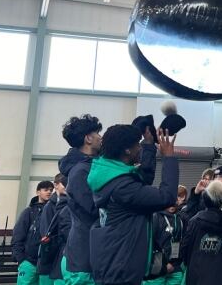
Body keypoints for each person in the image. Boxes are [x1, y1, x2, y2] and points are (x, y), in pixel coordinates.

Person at [88, 126, 179, 285]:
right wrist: (169, 157)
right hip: (121, 269)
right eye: (138, 144)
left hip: (113, 261)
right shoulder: (123, 188)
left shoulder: (109, 175)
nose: (140, 147)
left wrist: (149, 145)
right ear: (127, 150)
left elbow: (143, 179)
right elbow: (167, 197)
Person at [58, 115, 103, 285]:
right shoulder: (79, 172)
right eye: (98, 133)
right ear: (88, 138)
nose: (101, 137)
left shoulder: (91, 166)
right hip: (82, 260)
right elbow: (92, 209)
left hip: (91, 254)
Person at [181, 180, 222, 285]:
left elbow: (185, 249)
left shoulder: (195, 222)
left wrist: (191, 265)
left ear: (205, 199)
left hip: (197, 277)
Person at [13, 181, 54, 285]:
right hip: (28, 262)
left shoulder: (54, 211)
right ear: (38, 192)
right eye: (46, 190)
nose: (49, 192)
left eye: (51, 190)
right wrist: (21, 259)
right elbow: (18, 235)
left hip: (47, 263)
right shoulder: (28, 212)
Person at [144, 200, 188, 285]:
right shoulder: (155, 217)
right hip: (157, 268)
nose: (172, 204)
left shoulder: (180, 218)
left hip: (176, 268)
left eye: (174, 201)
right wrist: (165, 264)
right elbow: (150, 244)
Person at [38, 174, 69, 285]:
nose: (67, 186)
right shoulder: (49, 207)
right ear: (56, 185)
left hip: (65, 256)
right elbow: (46, 235)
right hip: (52, 259)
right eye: (64, 184)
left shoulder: (70, 204)